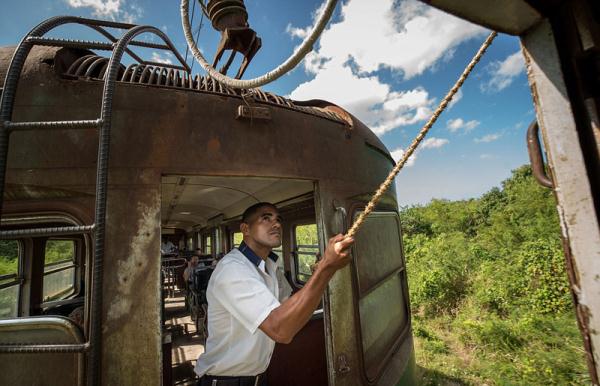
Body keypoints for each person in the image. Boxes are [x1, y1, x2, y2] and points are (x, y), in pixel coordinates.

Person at [194, 202, 354, 386]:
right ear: (245, 229)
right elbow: (281, 329)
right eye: (266, 218)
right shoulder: (233, 270)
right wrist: (326, 269)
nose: (276, 224)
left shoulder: (270, 267)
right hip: (225, 382)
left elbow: (292, 306)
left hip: (259, 378)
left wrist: (318, 272)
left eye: (278, 220)